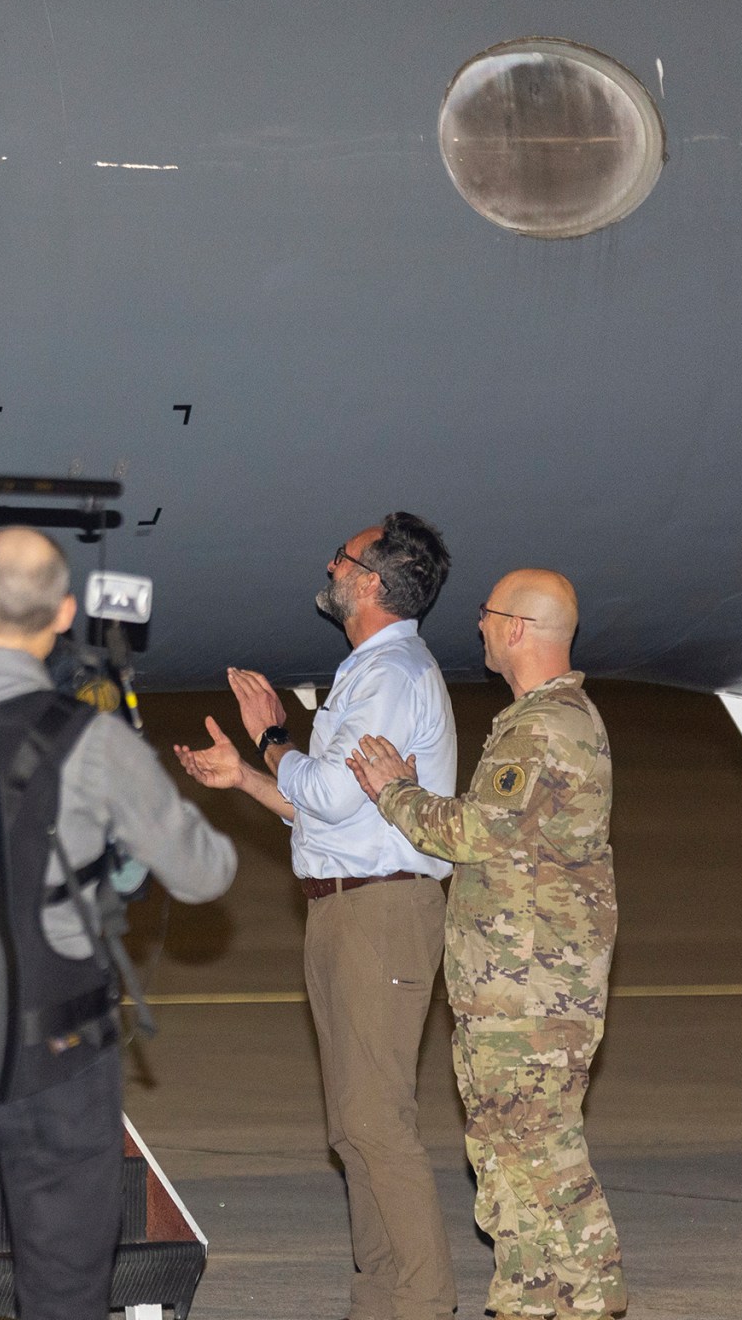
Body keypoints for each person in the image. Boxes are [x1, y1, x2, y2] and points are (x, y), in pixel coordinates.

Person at [0, 529, 237, 1320]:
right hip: (58, 1060)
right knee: (62, 1289)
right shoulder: (91, 740)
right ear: (63, 614)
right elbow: (205, 874)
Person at [173, 513, 460, 1320]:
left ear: (369, 582)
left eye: (340, 557)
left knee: (377, 1124)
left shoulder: (390, 674)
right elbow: (327, 817)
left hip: (382, 915)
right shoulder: (371, 671)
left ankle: (423, 1303)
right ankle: (379, 1299)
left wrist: (270, 739)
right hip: (346, 908)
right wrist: (247, 779)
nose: (328, 565)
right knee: (354, 1129)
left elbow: (329, 791)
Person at [348, 570, 624, 1320]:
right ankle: (561, 1304)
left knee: (532, 1167)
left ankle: (557, 1303)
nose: (477, 628)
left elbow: (476, 831)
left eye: (486, 616)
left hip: (528, 998)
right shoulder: (550, 721)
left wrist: (393, 791)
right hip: (525, 990)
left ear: (517, 631)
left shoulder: (543, 729)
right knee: (523, 1167)